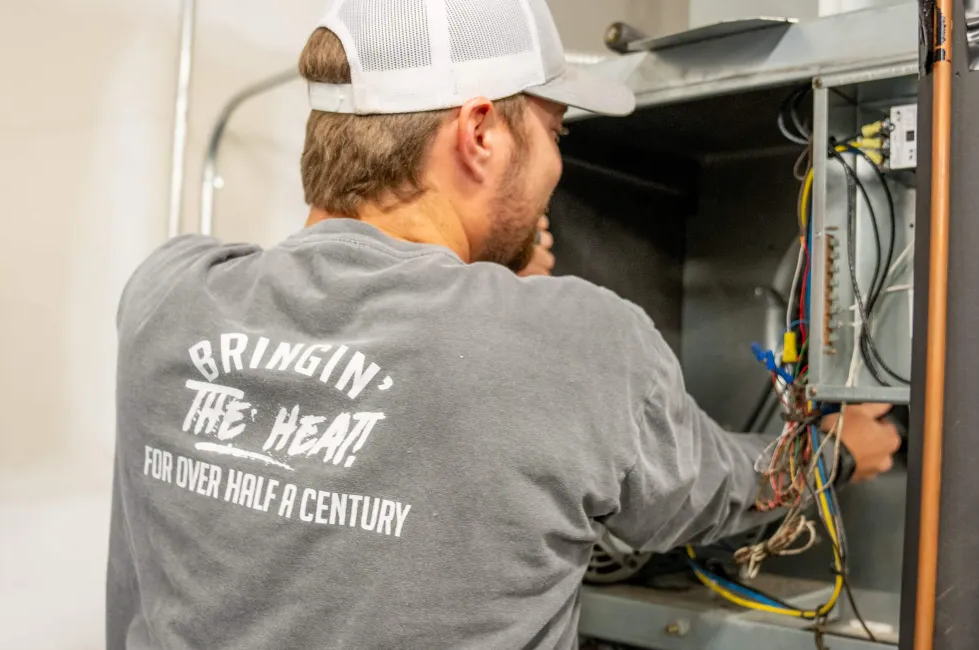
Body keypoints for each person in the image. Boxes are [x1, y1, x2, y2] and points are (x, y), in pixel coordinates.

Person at [106, 1, 903, 648]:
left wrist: (480, 293)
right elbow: (721, 491)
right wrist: (834, 454)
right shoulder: (573, 342)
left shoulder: (165, 296)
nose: (558, 167)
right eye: (555, 133)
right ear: (479, 132)